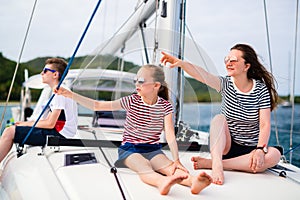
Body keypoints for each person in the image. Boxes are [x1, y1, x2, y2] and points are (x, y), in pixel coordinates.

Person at [54, 64, 212, 195]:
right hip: (129, 149)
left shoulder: (165, 106)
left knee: (169, 167)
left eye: (141, 81)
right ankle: (161, 182)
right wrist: (70, 94)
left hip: (153, 149)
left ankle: (193, 182)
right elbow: (98, 105)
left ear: (156, 86)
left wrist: (176, 160)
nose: (136, 84)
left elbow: (170, 134)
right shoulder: (132, 100)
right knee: (143, 166)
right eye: (136, 80)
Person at [160, 44, 282, 185]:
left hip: (251, 151)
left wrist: (260, 149)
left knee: (274, 155)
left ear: (246, 66)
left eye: (234, 60)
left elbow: (265, 124)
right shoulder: (225, 84)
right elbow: (203, 75)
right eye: (227, 59)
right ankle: (217, 165)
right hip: (227, 146)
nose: (228, 63)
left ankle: (214, 163)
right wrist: (182, 64)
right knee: (219, 119)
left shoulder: (260, 89)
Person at [0, 58, 78, 163]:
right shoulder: (59, 91)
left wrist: (26, 124)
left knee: (9, 131)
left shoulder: (60, 93)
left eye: (45, 71)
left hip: (60, 135)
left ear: (55, 75)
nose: (42, 73)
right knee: (13, 128)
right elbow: (50, 121)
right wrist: (25, 124)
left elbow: (50, 124)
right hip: (61, 133)